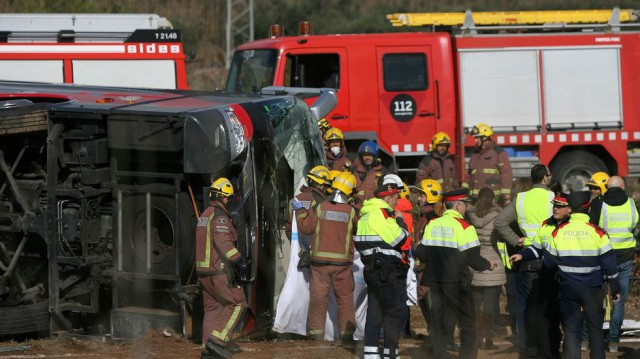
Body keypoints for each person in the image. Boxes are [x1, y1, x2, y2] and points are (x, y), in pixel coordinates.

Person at [415, 188, 496, 359]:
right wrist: (488, 264)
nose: (466, 207)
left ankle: (439, 355)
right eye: (465, 204)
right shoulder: (465, 227)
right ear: (458, 206)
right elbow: (473, 259)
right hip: (456, 281)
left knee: (438, 322)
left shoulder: (432, 224)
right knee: (467, 322)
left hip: (435, 282)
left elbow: (421, 253)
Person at [542, 191, 620, 359]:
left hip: (567, 288)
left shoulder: (558, 232)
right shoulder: (597, 232)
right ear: (589, 208)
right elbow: (609, 264)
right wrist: (615, 288)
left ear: (570, 209)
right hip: (592, 289)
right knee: (595, 329)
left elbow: (548, 263)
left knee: (571, 329)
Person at [494, 164, 554, 357]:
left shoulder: (521, 199)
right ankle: (550, 345)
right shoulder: (553, 197)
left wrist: (516, 240)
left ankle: (532, 345)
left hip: (527, 253)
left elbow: (500, 222)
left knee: (531, 303)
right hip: (550, 253)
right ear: (545, 178)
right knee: (551, 303)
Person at [510, 193, 571, 359]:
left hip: (567, 280)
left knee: (565, 319)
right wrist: (522, 255)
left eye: (560, 206)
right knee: (547, 318)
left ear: (569, 209)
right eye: (554, 205)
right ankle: (548, 352)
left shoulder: (572, 226)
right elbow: (536, 248)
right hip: (548, 278)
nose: (555, 208)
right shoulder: (546, 225)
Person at [354, 181, 409, 359]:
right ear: (388, 197)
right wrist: (400, 220)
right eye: (396, 198)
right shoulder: (381, 214)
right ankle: (391, 354)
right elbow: (400, 239)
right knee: (393, 311)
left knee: (374, 311)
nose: (397, 202)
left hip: (371, 269)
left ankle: (370, 353)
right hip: (387, 270)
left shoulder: (365, 215)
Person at [300, 171, 359, 340]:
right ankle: (347, 334)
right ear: (350, 192)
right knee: (345, 298)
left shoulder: (320, 207)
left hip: (319, 263)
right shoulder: (351, 212)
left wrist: (301, 212)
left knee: (318, 297)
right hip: (342, 265)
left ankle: (315, 333)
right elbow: (358, 230)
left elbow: (306, 229)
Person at [196, 178, 250, 359]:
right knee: (238, 303)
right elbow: (222, 241)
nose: (229, 201)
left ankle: (207, 351)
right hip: (217, 271)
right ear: (224, 197)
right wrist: (238, 260)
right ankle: (217, 341)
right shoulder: (219, 215)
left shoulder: (205, 214)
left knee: (213, 309)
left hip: (204, 273)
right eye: (228, 198)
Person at [593, 176, 638, 353]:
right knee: (618, 301)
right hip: (625, 257)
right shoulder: (631, 203)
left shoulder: (599, 202)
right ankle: (613, 343)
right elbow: (634, 223)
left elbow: (593, 226)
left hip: (603, 257)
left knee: (595, 301)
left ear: (607, 187)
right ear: (621, 186)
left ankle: (588, 340)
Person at [467, 188, 505, 350]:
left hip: (475, 262)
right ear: (493, 200)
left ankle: (474, 338)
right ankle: (486, 338)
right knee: (490, 304)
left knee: (475, 304)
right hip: (493, 263)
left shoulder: (470, 216)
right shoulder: (498, 217)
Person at [467, 123, 513, 202]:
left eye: (477, 138)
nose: (475, 140)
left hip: (493, 200)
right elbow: (468, 176)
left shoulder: (499, 153)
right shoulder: (474, 154)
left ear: (485, 138)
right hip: (475, 200)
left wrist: (506, 197)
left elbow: (506, 175)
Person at [352, 140, 388, 205]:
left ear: (375, 157)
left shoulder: (383, 172)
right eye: (365, 155)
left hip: (375, 208)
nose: (367, 158)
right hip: (358, 208)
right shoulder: (355, 172)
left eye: (370, 155)